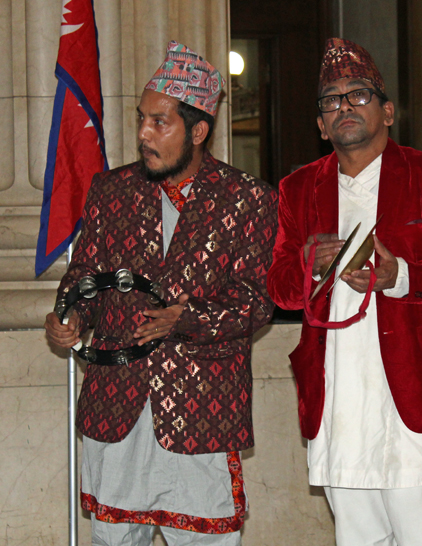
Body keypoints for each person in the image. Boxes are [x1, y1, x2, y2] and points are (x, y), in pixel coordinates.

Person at [44, 41, 277, 546]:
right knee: (114, 537)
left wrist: (186, 317)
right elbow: (84, 274)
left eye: (159, 123)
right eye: (141, 120)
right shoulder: (112, 190)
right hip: (117, 403)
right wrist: (71, 317)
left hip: (202, 410)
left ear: (198, 131)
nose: (144, 134)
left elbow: (257, 300)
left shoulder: (247, 198)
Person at [267, 37, 422, 546]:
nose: (344, 106)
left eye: (358, 95)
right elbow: (278, 290)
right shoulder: (298, 188)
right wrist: (307, 267)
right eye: (331, 100)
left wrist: (402, 275)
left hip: (415, 393)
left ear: (388, 112)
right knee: (358, 537)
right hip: (339, 396)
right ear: (320, 126)